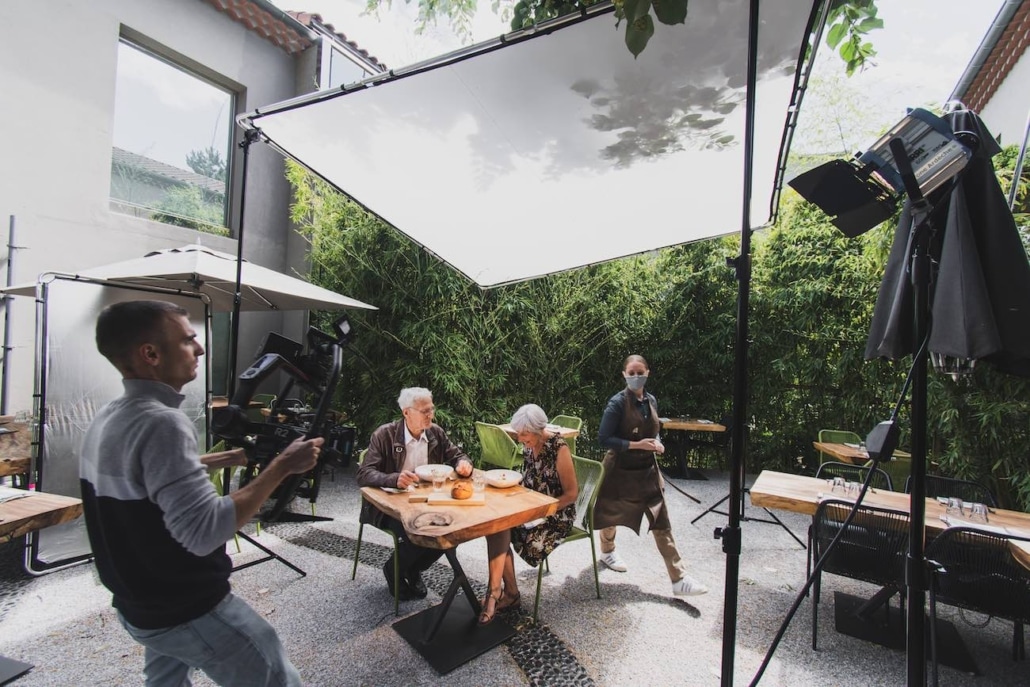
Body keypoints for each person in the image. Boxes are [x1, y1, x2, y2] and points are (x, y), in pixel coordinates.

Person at [80, 300, 324, 687]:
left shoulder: (112, 414)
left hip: (139, 604)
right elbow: (207, 531)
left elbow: (149, 482)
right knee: (276, 674)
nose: (200, 349)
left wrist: (231, 456)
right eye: (188, 339)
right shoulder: (162, 424)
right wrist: (282, 467)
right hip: (187, 608)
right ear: (151, 354)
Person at [594, 354, 708, 597]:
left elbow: (653, 431)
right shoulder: (616, 403)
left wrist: (657, 443)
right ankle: (607, 550)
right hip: (618, 469)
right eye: (631, 373)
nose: (636, 377)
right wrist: (637, 445)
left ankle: (679, 578)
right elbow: (604, 438)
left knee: (660, 520)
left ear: (648, 373)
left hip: (647, 470)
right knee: (611, 512)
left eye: (640, 372)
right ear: (624, 375)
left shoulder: (651, 400)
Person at [357, 387, 474, 600]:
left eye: (431, 409)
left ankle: (412, 568)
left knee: (451, 532)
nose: (431, 415)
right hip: (389, 505)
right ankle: (394, 570)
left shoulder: (435, 432)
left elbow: (457, 455)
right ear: (407, 412)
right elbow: (364, 474)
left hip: (426, 501)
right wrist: (393, 478)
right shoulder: (384, 435)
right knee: (419, 532)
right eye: (424, 411)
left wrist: (464, 464)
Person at [479, 404, 578, 625]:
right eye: (519, 435)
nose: (521, 440)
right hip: (532, 509)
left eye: (525, 435)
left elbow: (571, 494)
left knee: (502, 531)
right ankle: (504, 593)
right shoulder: (529, 445)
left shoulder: (558, 448)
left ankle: (498, 595)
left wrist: (542, 511)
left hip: (556, 515)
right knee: (495, 525)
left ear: (538, 429)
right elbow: (528, 481)